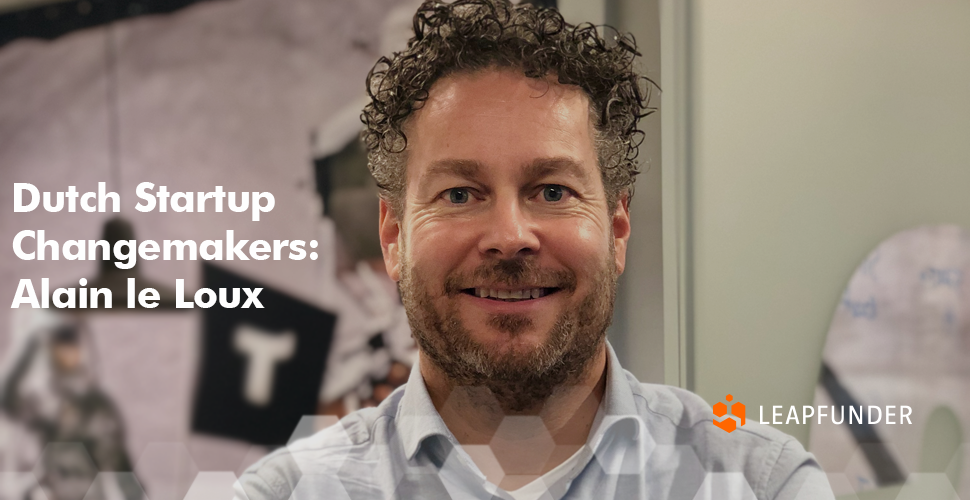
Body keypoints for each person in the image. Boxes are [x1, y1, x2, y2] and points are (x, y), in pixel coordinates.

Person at [235, 0, 835, 498]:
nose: (510, 236)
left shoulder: (762, 485)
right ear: (394, 236)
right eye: (459, 193)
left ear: (617, 227)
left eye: (552, 190)